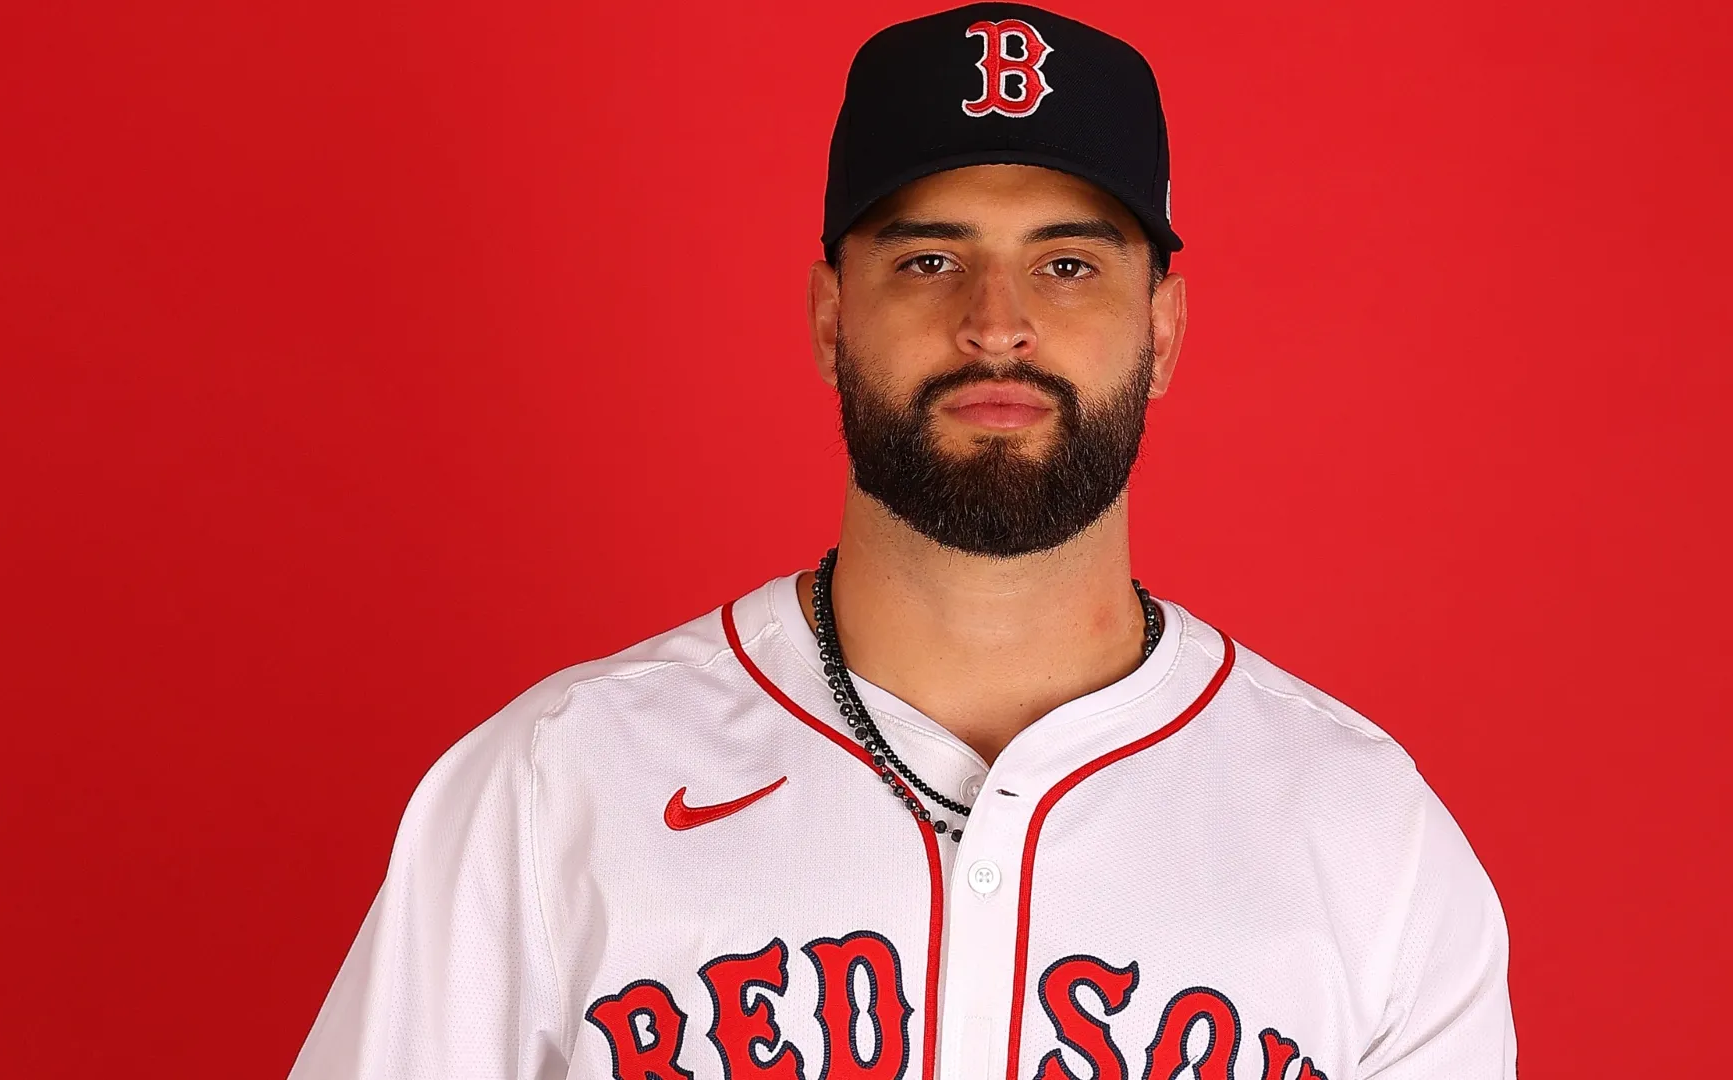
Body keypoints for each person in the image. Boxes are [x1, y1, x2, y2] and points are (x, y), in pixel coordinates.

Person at [288, 4, 1516, 1077]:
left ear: (1163, 330)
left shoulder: (1366, 836)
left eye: (1070, 264)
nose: (997, 325)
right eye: (929, 258)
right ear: (831, 320)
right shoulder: (556, 787)